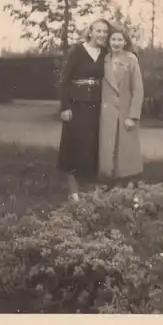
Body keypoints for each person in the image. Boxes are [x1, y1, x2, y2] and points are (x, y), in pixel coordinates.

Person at [57, 18, 110, 201]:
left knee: (94, 146)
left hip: (97, 105)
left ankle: (94, 192)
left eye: (105, 32)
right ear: (90, 31)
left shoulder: (106, 54)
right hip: (76, 105)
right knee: (73, 144)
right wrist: (64, 107)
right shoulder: (76, 51)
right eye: (98, 31)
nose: (102, 35)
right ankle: (73, 192)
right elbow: (64, 80)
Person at [99, 23, 144, 179]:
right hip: (106, 112)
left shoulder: (131, 60)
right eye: (113, 39)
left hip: (125, 112)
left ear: (125, 42)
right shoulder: (103, 59)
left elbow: (138, 90)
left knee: (125, 152)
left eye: (120, 40)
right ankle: (106, 180)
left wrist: (133, 116)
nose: (116, 43)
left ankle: (126, 183)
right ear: (109, 42)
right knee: (107, 149)